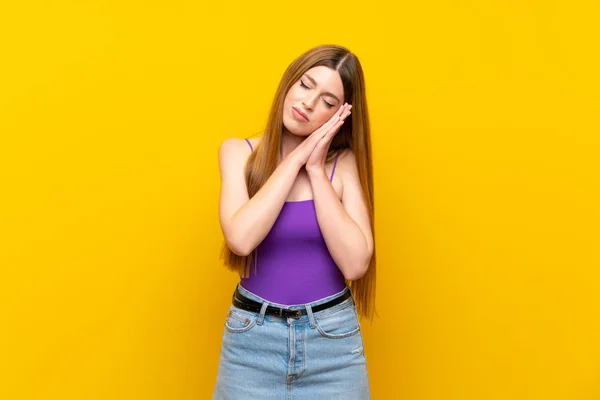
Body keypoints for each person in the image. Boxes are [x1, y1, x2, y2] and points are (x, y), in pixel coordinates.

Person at [213, 44, 377, 399]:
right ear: (289, 81)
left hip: (332, 343)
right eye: (305, 85)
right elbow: (240, 239)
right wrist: (297, 157)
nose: (307, 103)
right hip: (251, 344)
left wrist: (316, 169)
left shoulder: (341, 164)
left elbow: (356, 262)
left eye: (328, 101)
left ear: (342, 115)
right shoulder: (238, 153)